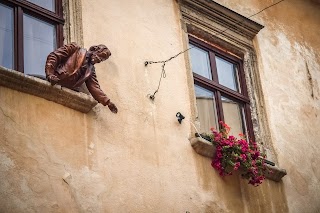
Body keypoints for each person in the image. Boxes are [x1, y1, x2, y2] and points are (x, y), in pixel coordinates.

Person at [45, 43, 118, 113]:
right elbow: (54, 56)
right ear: (96, 49)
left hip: (68, 91)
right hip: (55, 81)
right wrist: (50, 74)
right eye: (102, 56)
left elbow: (94, 87)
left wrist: (108, 102)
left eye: (102, 59)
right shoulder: (75, 48)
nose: (100, 60)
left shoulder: (91, 69)